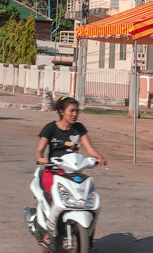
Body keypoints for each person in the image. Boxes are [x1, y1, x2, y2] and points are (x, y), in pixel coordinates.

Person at [34, 97, 106, 241]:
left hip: (72, 172)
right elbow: (39, 151)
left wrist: (99, 157)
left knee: (85, 196)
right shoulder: (50, 128)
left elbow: (90, 149)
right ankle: (50, 230)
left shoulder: (78, 128)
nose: (75, 114)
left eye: (76, 111)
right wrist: (41, 158)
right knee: (58, 196)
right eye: (71, 111)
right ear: (61, 112)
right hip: (52, 171)